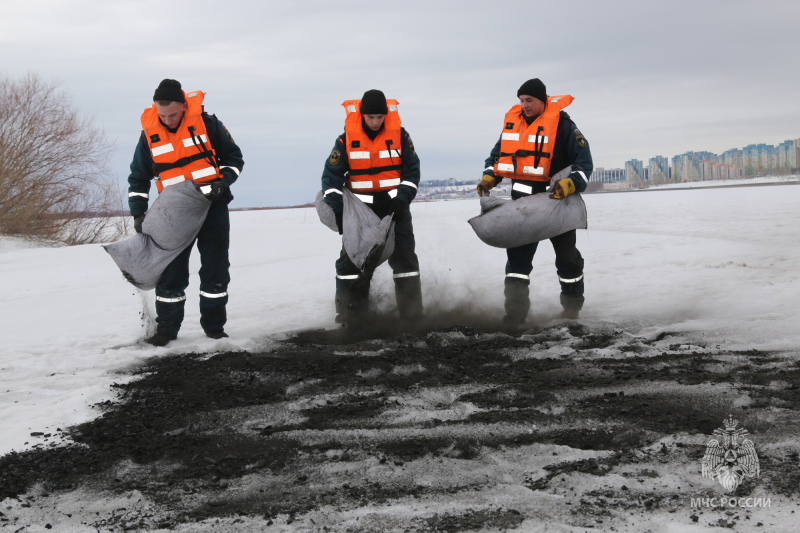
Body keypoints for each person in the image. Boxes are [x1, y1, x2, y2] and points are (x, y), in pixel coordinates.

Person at [128, 79, 244, 346]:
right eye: (162, 115)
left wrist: (222, 182)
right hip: (173, 214)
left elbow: (235, 160)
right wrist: (138, 213)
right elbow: (138, 178)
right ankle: (166, 330)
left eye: (173, 114)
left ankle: (214, 328)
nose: (168, 120)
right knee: (171, 273)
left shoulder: (209, 124)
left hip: (211, 208)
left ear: (183, 106)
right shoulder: (149, 135)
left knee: (215, 270)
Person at [477, 78, 592, 324]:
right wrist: (488, 178)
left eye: (529, 100)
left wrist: (570, 183)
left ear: (542, 100)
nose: (524, 105)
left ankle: (571, 312)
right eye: (521, 100)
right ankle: (515, 317)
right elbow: (497, 159)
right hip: (524, 206)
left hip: (557, 204)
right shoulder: (513, 126)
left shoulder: (564, 126)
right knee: (517, 263)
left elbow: (584, 165)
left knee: (567, 259)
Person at [320, 89, 423, 325]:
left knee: (405, 260)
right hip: (361, 214)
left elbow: (412, 171)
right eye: (371, 117)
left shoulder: (400, 136)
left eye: (380, 117)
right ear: (362, 115)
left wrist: (403, 199)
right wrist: (338, 210)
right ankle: (350, 317)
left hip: (395, 210)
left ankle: (413, 318)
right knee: (350, 262)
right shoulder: (345, 139)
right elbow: (331, 177)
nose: (376, 122)